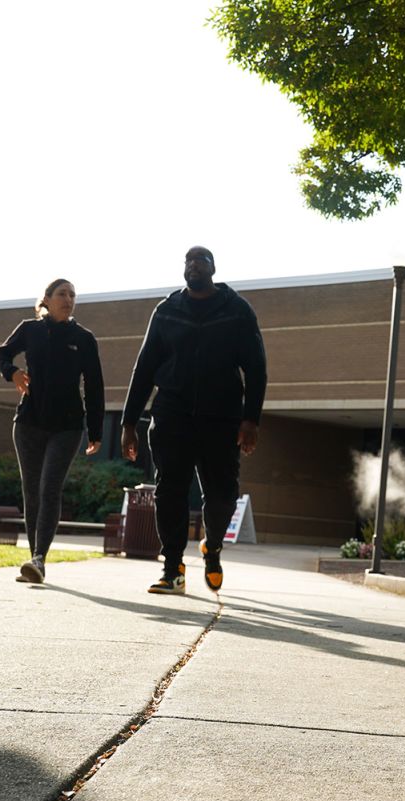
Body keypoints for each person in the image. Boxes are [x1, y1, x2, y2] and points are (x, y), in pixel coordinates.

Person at [121, 246, 267, 595]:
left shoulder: (237, 311)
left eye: (201, 261)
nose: (194, 265)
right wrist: (128, 423)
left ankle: (211, 547)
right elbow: (143, 369)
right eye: (189, 261)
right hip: (173, 414)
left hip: (222, 418)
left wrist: (251, 420)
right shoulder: (167, 311)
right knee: (170, 491)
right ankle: (173, 568)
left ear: (213, 268)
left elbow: (256, 367)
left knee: (222, 496)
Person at [0, 279, 104, 584]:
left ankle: (39, 557)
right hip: (28, 422)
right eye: (62, 294)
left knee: (49, 488)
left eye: (72, 295)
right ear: (47, 299)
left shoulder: (84, 338)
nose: (68, 299)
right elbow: (1, 354)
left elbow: (94, 386)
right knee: (32, 491)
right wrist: (12, 372)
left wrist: (96, 430)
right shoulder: (29, 329)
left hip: (67, 426)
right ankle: (35, 558)